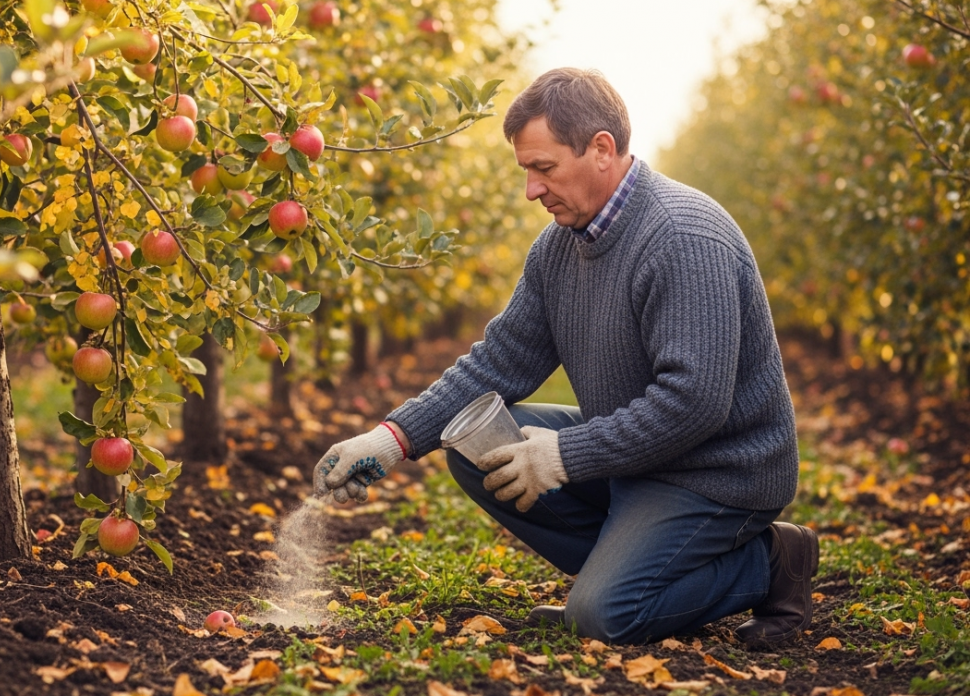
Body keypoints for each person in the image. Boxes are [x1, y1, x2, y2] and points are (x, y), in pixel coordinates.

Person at [312, 68, 816, 647]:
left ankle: (771, 561)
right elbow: (494, 365)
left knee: (605, 617)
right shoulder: (558, 248)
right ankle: (627, 565)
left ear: (601, 149)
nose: (531, 189)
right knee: (478, 445)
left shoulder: (684, 239)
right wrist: (388, 441)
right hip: (637, 461)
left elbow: (695, 403)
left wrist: (565, 455)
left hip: (715, 471)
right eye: (526, 170)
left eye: (543, 168)